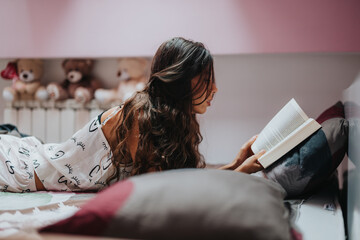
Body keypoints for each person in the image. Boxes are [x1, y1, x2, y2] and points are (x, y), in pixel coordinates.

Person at [0, 37, 265, 193]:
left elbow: (183, 180)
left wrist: (234, 164)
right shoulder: (141, 116)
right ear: (181, 80)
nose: (215, 88)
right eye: (207, 79)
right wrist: (238, 173)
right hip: (19, 169)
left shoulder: (172, 120)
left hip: (36, 153)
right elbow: (166, 191)